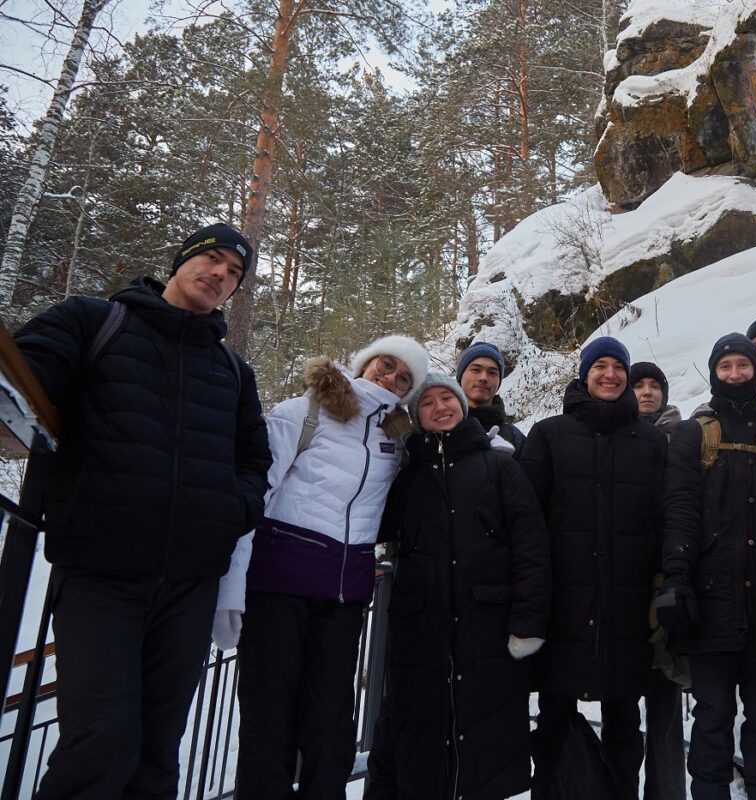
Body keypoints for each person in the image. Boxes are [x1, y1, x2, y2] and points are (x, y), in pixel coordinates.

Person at [13, 222, 272, 799]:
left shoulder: (233, 372)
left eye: (234, 272)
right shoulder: (94, 321)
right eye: (212, 258)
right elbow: (27, 375)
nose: (220, 274)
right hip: (100, 573)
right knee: (99, 743)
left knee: (157, 753)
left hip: (189, 584)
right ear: (181, 260)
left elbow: (255, 460)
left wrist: (234, 510)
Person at [215, 335, 427, 798]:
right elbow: (256, 493)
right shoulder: (304, 412)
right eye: (385, 365)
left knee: (331, 729)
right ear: (365, 362)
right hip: (277, 587)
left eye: (403, 378)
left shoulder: (396, 440)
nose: (390, 378)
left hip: (342, 596)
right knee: (268, 720)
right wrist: (230, 587)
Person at [366, 373, 551, 800]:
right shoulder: (406, 477)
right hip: (421, 631)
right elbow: (372, 525)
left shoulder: (501, 467)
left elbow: (532, 549)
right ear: (417, 417)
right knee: (421, 743)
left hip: (489, 628)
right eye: (427, 402)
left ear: (462, 406)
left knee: (487, 744)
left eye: (446, 397)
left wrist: (527, 621)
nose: (440, 407)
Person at [659, 333, 756, 800]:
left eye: (744, 365)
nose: (736, 374)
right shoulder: (693, 433)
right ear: (714, 373)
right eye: (726, 367)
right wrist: (677, 578)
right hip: (710, 604)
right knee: (712, 721)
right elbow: (680, 510)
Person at [520, 336, 668, 799]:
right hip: (564, 604)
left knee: (624, 723)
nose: (610, 374)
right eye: (599, 365)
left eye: (617, 366)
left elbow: (665, 519)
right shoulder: (548, 435)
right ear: (585, 374)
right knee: (554, 720)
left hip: (627, 604)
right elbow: (526, 524)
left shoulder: (651, 442)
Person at [630, 360, 686, 800]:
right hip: (625, 582)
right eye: (639, 385)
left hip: (668, 581)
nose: (647, 392)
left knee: (666, 700)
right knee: (622, 708)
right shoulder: (615, 437)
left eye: (654, 385)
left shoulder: (683, 438)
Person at [457, 341, 526, 458]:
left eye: (492, 372)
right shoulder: (439, 429)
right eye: (476, 370)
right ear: (461, 376)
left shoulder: (514, 438)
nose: (484, 378)